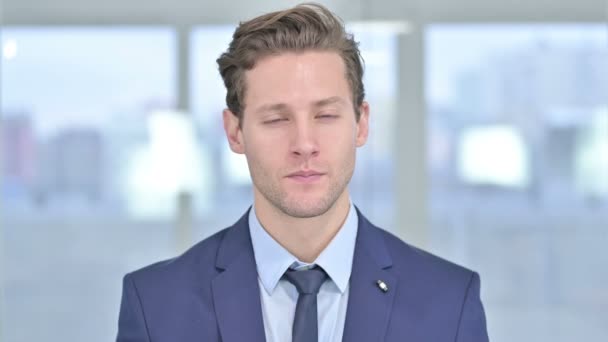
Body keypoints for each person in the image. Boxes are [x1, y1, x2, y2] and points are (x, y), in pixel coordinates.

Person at [116, 3, 489, 342]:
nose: (304, 143)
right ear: (234, 132)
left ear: (361, 124)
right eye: (277, 119)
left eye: (325, 115)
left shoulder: (449, 304)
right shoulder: (156, 306)